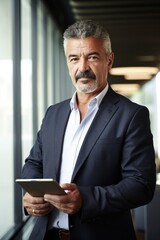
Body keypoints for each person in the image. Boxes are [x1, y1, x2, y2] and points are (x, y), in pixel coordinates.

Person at [22, 20, 156, 240]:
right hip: (46, 234)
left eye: (92, 57)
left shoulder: (132, 115)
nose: (82, 67)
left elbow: (141, 185)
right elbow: (34, 164)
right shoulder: (54, 113)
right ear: (67, 63)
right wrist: (32, 195)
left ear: (109, 60)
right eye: (74, 58)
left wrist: (85, 199)